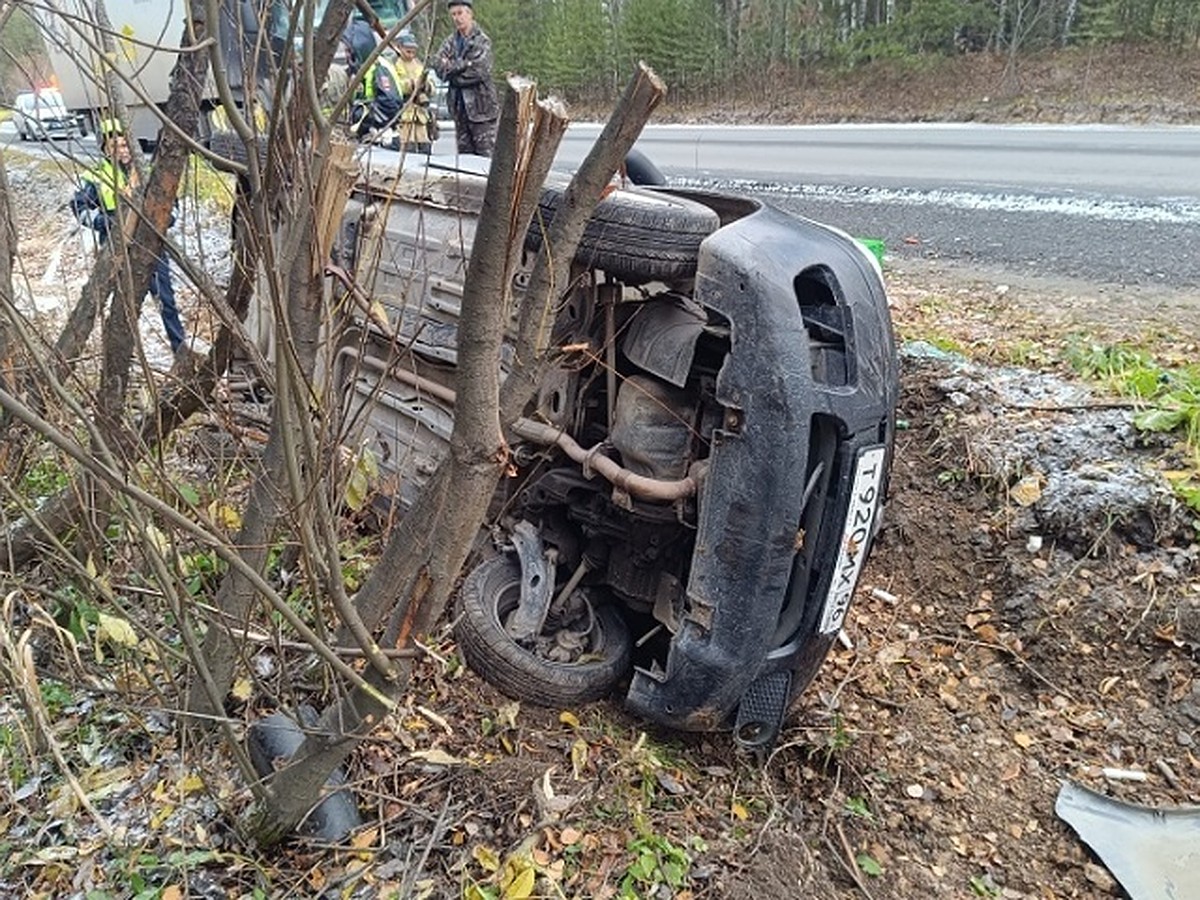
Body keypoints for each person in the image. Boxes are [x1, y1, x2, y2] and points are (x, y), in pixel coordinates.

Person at [71, 120, 186, 353]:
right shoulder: (95, 176)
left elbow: (173, 204)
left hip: (151, 242)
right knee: (121, 309)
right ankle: (120, 359)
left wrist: (166, 219)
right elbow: (79, 208)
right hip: (115, 245)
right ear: (105, 148)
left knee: (166, 302)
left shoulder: (146, 172)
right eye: (115, 146)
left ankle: (181, 351)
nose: (121, 151)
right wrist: (103, 222)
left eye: (125, 145)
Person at [432, 0, 499, 157]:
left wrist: (453, 70)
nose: (457, 18)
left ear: (470, 14)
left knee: (486, 157)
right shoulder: (450, 41)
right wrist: (464, 64)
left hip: (482, 111)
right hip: (460, 111)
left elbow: (479, 71)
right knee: (464, 158)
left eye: (460, 13)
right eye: (453, 14)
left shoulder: (482, 41)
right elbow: (438, 65)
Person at [344, 25, 403, 143]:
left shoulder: (379, 68)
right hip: (367, 135)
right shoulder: (359, 70)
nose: (346, 55)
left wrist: (366, 117)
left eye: (349, 50)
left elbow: (390, 103)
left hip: (382, 136)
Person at [393, 29, 434, 154]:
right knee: (407, 146)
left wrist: (426, 86)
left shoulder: (419, 65)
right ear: (399, 48)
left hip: (420, 114)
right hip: (405, 114)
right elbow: (395, 85)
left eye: (413, 52)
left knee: (424, 146)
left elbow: (432, 87)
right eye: (408, 51)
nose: (411, 55)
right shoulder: (395, 65)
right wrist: (411, 84)